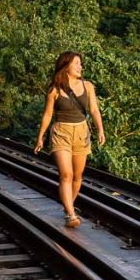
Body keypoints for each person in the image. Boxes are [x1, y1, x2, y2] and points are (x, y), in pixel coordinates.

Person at [34, 51, 106, 228]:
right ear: (66, 66)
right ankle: (71, 214)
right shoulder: (54, 90)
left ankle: (68, 207)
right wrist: (40, 137)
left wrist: (100, 130)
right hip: (61, 133)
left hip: (81, 133)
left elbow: (94, 110)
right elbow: (48, 114)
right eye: (76, 63)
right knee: (66, 174)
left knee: (77, 176)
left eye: (80, 63)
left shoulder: (88, 86)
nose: (80, 66)